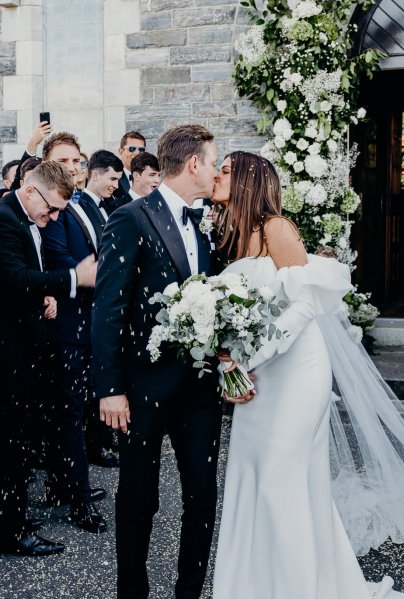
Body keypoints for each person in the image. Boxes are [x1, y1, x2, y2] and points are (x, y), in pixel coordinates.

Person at [211, 151, 404, 599]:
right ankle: (255, 583)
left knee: (283, 477)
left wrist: (256, 353)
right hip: (260, 374)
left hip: (297, 367)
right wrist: (229, 362)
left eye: (224, 170)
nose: (217, 175)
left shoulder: (276, 228)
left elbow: (306, 303)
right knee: (254, 473)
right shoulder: (231, 234)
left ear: (247, 180)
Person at [92, 125, 236, 599]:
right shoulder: (132, 219)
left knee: (201, 496)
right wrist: (109, 387)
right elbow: (109, 306)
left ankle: (189, 593)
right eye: (212, 161)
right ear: (193, 163)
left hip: (199, 390)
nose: (215, 170)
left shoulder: (205, 222)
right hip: (142, 390)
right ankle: (132, 593)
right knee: (139, 500)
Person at [0, 161, 97, 556]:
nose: (53, 217)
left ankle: (13, 514)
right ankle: (12, 531)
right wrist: (74, 279)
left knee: (20, 442)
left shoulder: (22, 217)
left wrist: (44, 298)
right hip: (10, 356)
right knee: (12, 445)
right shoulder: (6, 220)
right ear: (29, 190)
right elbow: (12, 278)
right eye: (52, 208)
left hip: (25, 347)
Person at [40, 133, 108, 531]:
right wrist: (96, 276)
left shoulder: (78, 206)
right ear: (47, 164)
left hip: (85, 322)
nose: (73, 167)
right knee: (68, 413)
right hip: (63, 325)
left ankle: (65, 484)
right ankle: (78, 499)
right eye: (64, 160)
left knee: (72, 411)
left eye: (77, 160)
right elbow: (62, 259)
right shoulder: (53, 211)